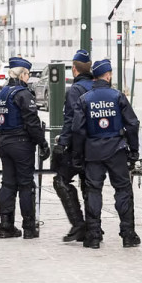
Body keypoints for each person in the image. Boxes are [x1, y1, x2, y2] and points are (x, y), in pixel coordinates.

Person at [71, 59, 141, 249]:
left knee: (94, 191)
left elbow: (77, 130)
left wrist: (77, 155)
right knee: (123, 190)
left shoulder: (85, 98)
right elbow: (133, 124)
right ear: (108, 75)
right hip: (117, 150)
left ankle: (93, 236)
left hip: (93, 151)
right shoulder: (117, 96)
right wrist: (134, 151)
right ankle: (128, 234)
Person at [0, 57, 51, 239]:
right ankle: (28, 227)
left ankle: (6, 225)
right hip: (21, 144)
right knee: (26, 184)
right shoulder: (23, 94)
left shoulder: (2, 93)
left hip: (4, 142)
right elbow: (32, 123)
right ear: (23, 74)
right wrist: (42, 143)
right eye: (28, 74)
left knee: (8, 184)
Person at [52, 49, 95, 242]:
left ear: (75, 70)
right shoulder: (97, 87)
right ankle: (94, 228)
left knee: (61, 181)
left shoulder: (75, 90)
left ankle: (78, 224)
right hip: (98, 146)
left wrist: (62, 144)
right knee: (90, 185)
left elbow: (70, 121)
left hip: (78, 146)